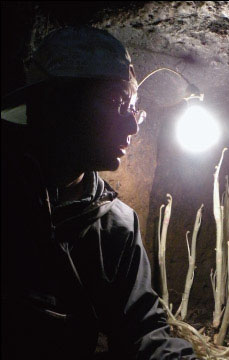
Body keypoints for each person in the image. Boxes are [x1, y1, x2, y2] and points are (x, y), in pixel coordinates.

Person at [1, 26, 198, 359]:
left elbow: (144, 330)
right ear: (57, 105)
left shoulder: (117, 226)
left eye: (134, 108)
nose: (134, 126)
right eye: (117, 103)